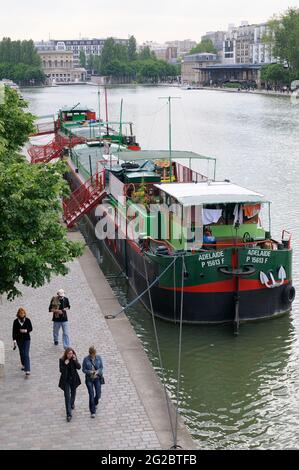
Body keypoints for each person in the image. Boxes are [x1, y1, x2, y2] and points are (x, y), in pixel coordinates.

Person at [58, 348, 81, 422]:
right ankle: (68, 414)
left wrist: (75, 360)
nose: (70, 355)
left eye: (71, 353)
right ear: (66, 354)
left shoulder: (74, 359)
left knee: (73, 393)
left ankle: (72, 403)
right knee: (67, 396)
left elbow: (79, 367)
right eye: (69, 354)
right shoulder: (62, 360)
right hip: (66, 380)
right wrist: (65, 364)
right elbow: (61, 370)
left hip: (74, 380)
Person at [82, 346, 104, 419]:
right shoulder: (86, 359)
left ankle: (95, 403)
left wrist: (97, 371)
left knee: (98, 394)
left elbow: (101, 367)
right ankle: (92, 411)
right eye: (92, 354)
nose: (93, 356)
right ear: (90, 353)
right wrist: (90, 372)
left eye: (94, 354)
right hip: (89, 379)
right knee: (91, 395)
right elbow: (83, 370)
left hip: (97, 378)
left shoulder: (98, 358)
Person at [12, 308, 33, 377]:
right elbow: (13, 332)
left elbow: (31, 328)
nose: (22, 315)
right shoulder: (15, 321)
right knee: (21, 353)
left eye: (23, 313)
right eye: (21, 314)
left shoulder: (27, 320)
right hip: (19, 340)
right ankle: (23, 364)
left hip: (27, 339)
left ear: (24, 314)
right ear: (18, 314)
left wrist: (26, 331)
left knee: (26, 354)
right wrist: (14, 341)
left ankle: (27, 370)